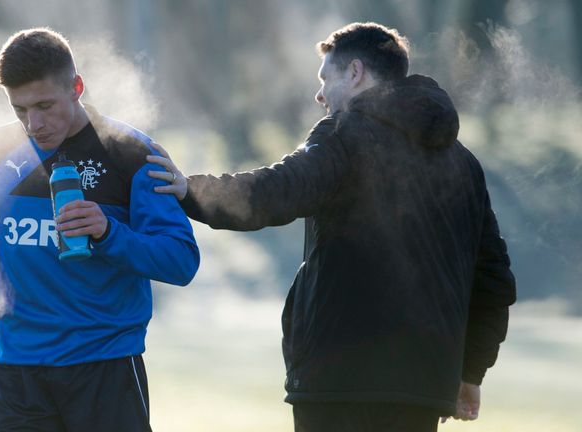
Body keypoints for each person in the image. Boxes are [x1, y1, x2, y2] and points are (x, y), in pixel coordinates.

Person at [147, 22, 516, 432]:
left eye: (326, 78)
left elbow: (276, 191)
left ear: (355, 72)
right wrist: (471, 372)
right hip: (423, 391)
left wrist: (189, 190)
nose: (319, 94)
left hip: (340, 382)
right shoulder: (463, 163)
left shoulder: (346, 136)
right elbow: (494, 280)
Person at [0, 27, 199, 432]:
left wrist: (109, 233)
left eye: (45, 105)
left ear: (77, 87)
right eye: (20, 109)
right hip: (17, 371)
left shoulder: (134, 154)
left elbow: (181, 261)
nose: (34, 123)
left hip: (105, 367)